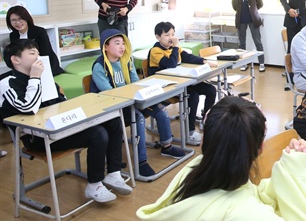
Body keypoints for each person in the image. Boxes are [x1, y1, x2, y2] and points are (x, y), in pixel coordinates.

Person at [136, 96, 306, 221]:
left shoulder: (194, 170)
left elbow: (253, 193)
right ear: (260, 148)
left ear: (204, 142)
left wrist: (287, 170)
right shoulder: (247, 215)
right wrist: (299, 172)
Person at [0, 39, 132, 202]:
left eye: (38, 53)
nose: (38, 57)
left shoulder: (44, 77)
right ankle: (94, 185)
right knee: (98, 134)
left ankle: (113, 173)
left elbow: (62, 101)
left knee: (112, 122)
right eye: (33, 53)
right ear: (16, 59)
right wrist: (34, 78)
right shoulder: (7, 83)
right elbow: (28, 107)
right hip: (39, 137)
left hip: (60, 126)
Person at [90, 29, 185, 177]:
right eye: (117, 43)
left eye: (123, 43)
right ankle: (141, 162)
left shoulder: (127, 61)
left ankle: (167, 146)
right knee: (138, 118)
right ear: (105, 47)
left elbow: (136, 82)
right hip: (113, 108)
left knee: (160, 109)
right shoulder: (99, 67)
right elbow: (109, 94)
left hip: (131, 101)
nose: (122, 47)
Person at [147, 21, 217, 146]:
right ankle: (189, 132)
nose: (171, 38)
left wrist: (204, 61)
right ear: (158, 37)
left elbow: (187, 57)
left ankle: (207, 119)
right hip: (166, 86)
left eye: (173, 34)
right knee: (193, 96)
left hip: (181, 81)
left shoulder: (175, 48)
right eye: (167, 35)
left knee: (211, 90)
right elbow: (171, 64)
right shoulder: (155, 51)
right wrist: (175, 47)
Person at [6, 5, 64, 76]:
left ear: (26, 18)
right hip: (24, 68)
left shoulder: (39, 31)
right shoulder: (13, 35)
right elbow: (15, 54)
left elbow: (45, 53)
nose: (17, 23)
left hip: (44, 66)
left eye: (20, 19)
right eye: (13, 20)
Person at [231, 0, 265, 72]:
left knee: (257, 42)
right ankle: (244, 63)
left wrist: (253, 10)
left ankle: (262, 63)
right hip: (241, 20)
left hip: (253, 20)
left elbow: (260, 4)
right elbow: (234, 6)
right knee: (242, 43)